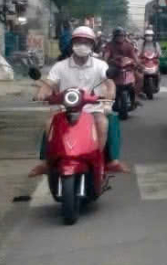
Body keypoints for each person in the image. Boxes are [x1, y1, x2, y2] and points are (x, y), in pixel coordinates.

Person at [30, 26, 128, 175]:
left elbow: (109, 82)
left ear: (92, 45)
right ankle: (47, 161)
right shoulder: (60, 66)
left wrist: (110, 93)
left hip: (92, 107)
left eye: (86, 42)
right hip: (66, 108)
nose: (82, 45)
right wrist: (42, 92)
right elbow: (49, 83)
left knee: (103, 123)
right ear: (72, 44)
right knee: (50, 122)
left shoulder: (100, 65)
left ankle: (99, 159)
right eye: (78, 42)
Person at [103, 26, 142, 98]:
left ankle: (135, 98)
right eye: (118, 36)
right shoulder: (110, 45)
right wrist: (104, 63)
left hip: (128, 68)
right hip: (114, 67)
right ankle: (107, 97)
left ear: (124, 36)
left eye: (122, 36)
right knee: (104, 79)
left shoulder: (129, 45)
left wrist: (139, 64)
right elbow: (106, 55)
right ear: (114, 36)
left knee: (140, 78)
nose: (120, 37)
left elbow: (134, 56)